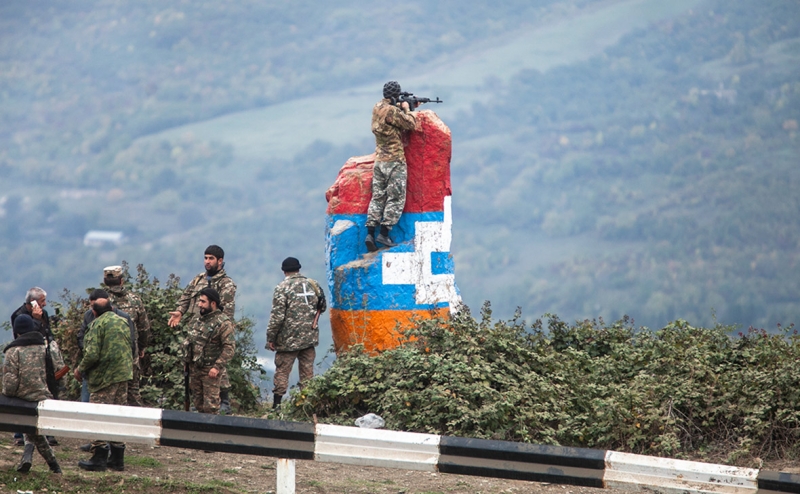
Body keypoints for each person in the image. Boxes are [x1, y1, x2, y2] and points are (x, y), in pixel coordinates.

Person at [168, 245, 237, 413]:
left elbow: (226, 311)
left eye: (211, 258)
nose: (207, 261)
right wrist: (180, 311)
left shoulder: (226, 283)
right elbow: (186, 296)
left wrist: (219, 328)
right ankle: (200, 403)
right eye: (205, 258)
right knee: (196, 367)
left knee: (216, 365)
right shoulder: (198, 279)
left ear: (220, 261)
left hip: (213, 331)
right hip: (195, 328)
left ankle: (223, 401)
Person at [75, 290, 133, 472]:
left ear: (94, 312)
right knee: (118, 415)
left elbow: (92, 354)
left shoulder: (97, 325)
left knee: (98, 414)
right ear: (111, 308)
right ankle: (117, 458)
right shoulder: (123, 321)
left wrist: (80, 369)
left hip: (105, 377)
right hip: (123, 375)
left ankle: (99, 458)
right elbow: (132, 344)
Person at [2, 315, 62, 474]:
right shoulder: (47, 347)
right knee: (30, 427)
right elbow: (60, 370)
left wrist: (8, 395)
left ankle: (44, 461)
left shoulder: (13, 351)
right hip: (45, 395)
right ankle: (51, 465)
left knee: (27, 422)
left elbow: (10, 383)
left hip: (22, 397)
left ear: (17, 332)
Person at [365, 80, 419, 252]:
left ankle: (370, 234)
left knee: (378, 197)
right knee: (396, 198)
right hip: (394, 160)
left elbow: (390, 119)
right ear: (396, 95)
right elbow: (411, 124)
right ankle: (384, 233)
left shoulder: (377, 107)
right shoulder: (392, 111)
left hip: (380, 161)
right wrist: (408, 109)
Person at [266, 257, 326, 409]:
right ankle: (307, 407)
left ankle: (277, 407)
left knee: (282, 372)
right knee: (307, 375)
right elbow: (322, 307)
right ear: (299, 269)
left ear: (284, 271)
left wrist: (271, 338)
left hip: (288, 341)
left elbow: (277, 317)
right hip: (309, 339)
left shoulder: (282, 288)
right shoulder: (313, 285)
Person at [9, 287, 61, 446]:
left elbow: (47, 332)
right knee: (23, 396)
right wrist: (36, 320)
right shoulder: (19, 316)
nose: (45, 304)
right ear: (32, 302)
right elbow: (27, 337)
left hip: (43, 357)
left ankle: (48, 432)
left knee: (48, 392)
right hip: (26, 359)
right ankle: (19, 433)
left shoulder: (43, 314)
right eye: (42, 301)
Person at [102, 265, 151, 406]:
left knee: (109, 395)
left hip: (108, 356)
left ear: (105, 282)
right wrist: (141, 347)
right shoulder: (134, 300)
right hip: (131, 353)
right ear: (121, 280)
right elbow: (144, 328)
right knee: (133, 392)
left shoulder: (101, 301)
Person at [183, 288, 235, 415]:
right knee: (197, 404)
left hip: (210, 371)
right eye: (199, 301)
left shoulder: (223, 323)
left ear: (213, 303)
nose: (199, 304)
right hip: (195, 368)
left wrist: (217, 367)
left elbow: (229, 347)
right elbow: (190, 341)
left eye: (203, 302)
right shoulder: (197, 319)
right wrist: (187, 362)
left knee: (210, 407)